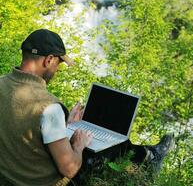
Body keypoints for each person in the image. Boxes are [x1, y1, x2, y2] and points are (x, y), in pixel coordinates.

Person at [0, 29, 175, 186]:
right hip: (39, 181)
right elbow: (69, 169)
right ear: (49, 60)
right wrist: (78, 145)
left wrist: (64, 125)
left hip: (7, 175)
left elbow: (21, 126)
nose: (57, 70)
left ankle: (148, 154)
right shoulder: (49, 107)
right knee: (102, 146)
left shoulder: (2, 84)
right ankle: (151, 156)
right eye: (58, 64)